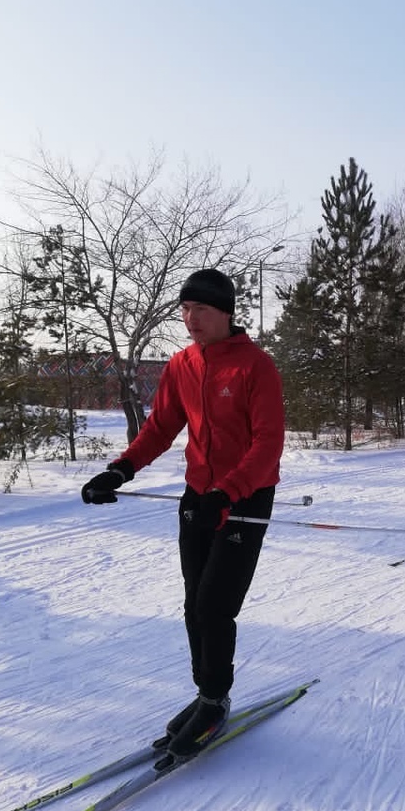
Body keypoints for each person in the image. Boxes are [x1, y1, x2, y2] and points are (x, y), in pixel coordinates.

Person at [81, 268, 285, 759]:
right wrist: (120, 469)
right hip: (199, 496)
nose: (190, 318)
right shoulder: (182, 365)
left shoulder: (256, 367)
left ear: (225, 313)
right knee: (195, 603)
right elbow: (161, 427)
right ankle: (205, 693)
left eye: (201, 310)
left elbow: (267, 445)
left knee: (216, 604)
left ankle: (215, 701)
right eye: (185, 309)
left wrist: (230, 491)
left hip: (245, 497)